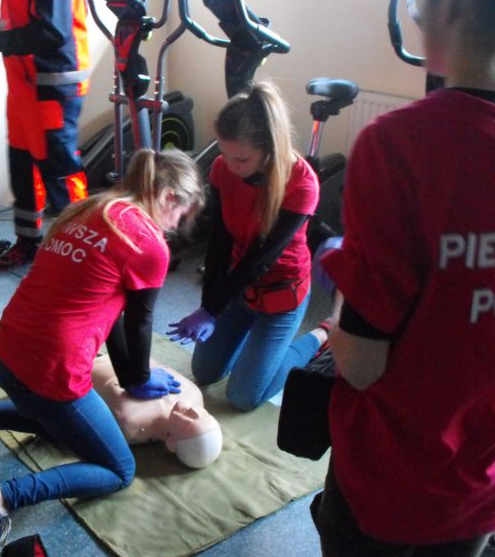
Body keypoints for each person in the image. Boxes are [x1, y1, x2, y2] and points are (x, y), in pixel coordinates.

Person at [0, 148, 204, 550]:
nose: (176, 224)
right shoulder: (149, 243)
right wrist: (139, 379)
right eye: (181, 214)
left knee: (56, 422)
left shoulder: (90, 209)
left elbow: (114, 314)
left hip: (4, 354)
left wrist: (133, 377)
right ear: (169, 197)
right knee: (119, 469)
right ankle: (2, 499)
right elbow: (140, 321)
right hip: (50, 372)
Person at [311, 0, 495, 555]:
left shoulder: (397, 143)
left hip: (388, 473)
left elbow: (361, 364)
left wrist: (342, 293)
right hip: (479, 481)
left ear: (450, 9)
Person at [168, 81, 328, 412]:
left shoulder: (302, 183)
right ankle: (253, 347)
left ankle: (323, 334)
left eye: (241, 158)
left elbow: (260, 258)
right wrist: (208, 305)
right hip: (239, 289)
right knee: (205, 372)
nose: (230, 165)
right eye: (224, 154)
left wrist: (213, 311)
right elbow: (219, 243)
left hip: (282, 295)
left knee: (243, 397)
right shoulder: (222, 169)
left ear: (269, 148)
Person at [0, 0, 90, 272]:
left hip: (52, 88)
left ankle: (83, 255)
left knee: (60, 174)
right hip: (24, 88)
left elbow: (52, 33)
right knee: (23, 170)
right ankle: (28, 244)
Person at [90, 355, 223, 469]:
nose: (194, 410)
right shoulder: (195, 395)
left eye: (191, 420)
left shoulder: (129, 423)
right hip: (130, 346)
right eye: (205, 414)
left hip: (89, 360)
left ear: (171, 443)